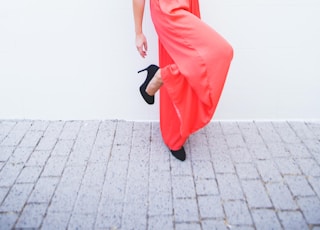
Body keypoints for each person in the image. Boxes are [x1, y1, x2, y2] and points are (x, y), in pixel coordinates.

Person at [133, 0, 233, 161]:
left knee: (189, 66)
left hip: (189, 5)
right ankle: (160, 76)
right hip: (167, 11)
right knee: (222, 52)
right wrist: (138, 32)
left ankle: (175, 136)